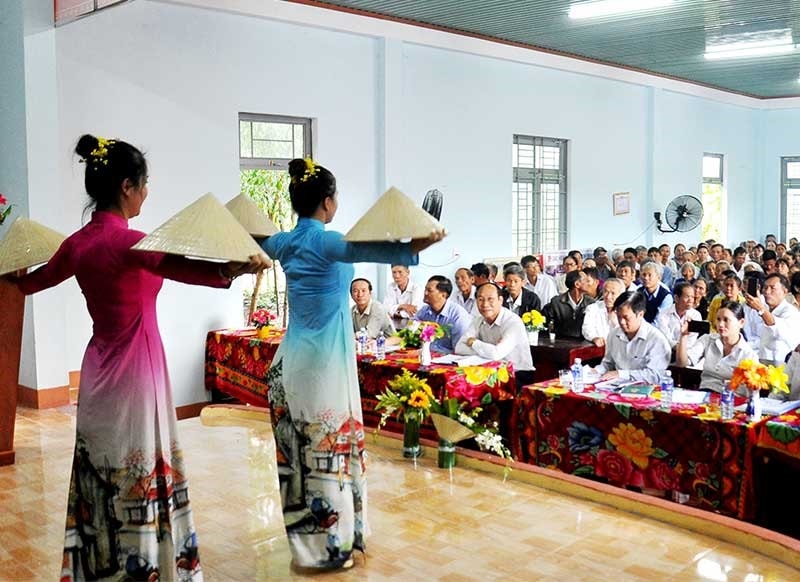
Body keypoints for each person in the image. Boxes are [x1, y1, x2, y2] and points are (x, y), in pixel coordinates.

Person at [5, 134, 270, 580]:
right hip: (138, 375)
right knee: (141, 471)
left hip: (97, 376)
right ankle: (145, 567)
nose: (148, 192)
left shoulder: (76, 244)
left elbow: (30, 284)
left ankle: (98, 568)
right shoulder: (132, 243)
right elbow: (188, 268)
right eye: (145, 184)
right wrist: (234, 268)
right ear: (127, 186)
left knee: (101, 473)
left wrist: (13, 270)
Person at [261, 158, 443, 570]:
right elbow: (376, 249)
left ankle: (309, 544)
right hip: (325, 364)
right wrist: (422, 240)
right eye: (336, 196)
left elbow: (258, 240)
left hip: (291, 361)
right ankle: (334, 548)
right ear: (327, 203)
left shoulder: (285, 243)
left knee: (300, 457)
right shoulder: (327, 241)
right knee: (331, 454)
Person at [455, 282, 534, 384]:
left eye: (490, 299)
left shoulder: (513, 322)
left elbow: (496, 354)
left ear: (500, 300)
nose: (485, 304)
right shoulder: (478, 320)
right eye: (480, 299)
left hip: (516, 374)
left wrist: (474, 343)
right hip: (488, 371)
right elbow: (459, 348)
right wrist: (488, 351)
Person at [676, 301, 757, 394]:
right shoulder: (708, 339)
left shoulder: (748, 354)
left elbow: (751, 390)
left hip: (731, 398)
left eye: (726, 320)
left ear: (741, 323)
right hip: (705, 393)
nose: (721, 325)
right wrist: (683, 336)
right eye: (718, 319)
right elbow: (682, 363)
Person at [592, 291, 671, 384]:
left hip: (645, 390)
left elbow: (655, 375)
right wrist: (596, 371)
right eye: (619, 317)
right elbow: (608, 364)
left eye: (626, 318)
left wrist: (622, 374)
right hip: (615, 387)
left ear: (641, 314)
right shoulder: (613, 334)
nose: (622, 322)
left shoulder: (656, 340)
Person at [743, 272, 800, 366]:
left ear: (785, 292)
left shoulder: (791, 312)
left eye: (772, 288)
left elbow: (776, 327)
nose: (767, 292)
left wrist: (761, 309)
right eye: (765, 288)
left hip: (781, 365)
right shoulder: (764, 308)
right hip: (760, 359)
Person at [415, 275, 472, 353]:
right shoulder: (424, 311)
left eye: (429, 290)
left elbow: (460, 349)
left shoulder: (458, 316)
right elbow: (410, 329)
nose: (425, 293)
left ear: (443, 295)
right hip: (425, 354)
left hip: (447, 359)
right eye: (425, 289)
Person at [543, 270, 594, 339]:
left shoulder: (590, 303)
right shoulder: (556, 302)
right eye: (586, 280)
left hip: (584, 342)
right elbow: (546, 324)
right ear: (577, 284)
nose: (589, 283)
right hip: (561, 342)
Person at [581, 277, 624, 347]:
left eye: (613, 293)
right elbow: (586, 328)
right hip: (598, 350)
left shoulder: (626, 311)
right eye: (606, 292)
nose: (608, 297)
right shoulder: (593, 308)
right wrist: (594, 338)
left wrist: (615, 323)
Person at [383, 263, 423, 329]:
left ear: (408, 272)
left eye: (400, 272)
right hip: (394, 325)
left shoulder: (416, 289)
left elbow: (414, 313)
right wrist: (403, 306)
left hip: (412, 327)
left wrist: (395, 312)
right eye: (394, 272)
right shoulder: (391, 286)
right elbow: (385, 309)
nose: (397, 276)